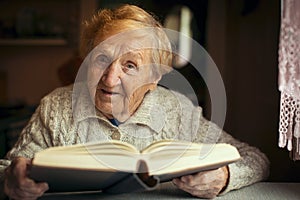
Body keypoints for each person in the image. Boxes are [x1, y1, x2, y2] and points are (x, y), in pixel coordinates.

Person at [0, 4, 269, 200]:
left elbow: (256, 159)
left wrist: (224, 178)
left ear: (153, 77)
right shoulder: (56, 107)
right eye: (102, 59)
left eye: (130, 65)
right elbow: (7, 169)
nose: (110, 78)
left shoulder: (177, 111)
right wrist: (9, 181)